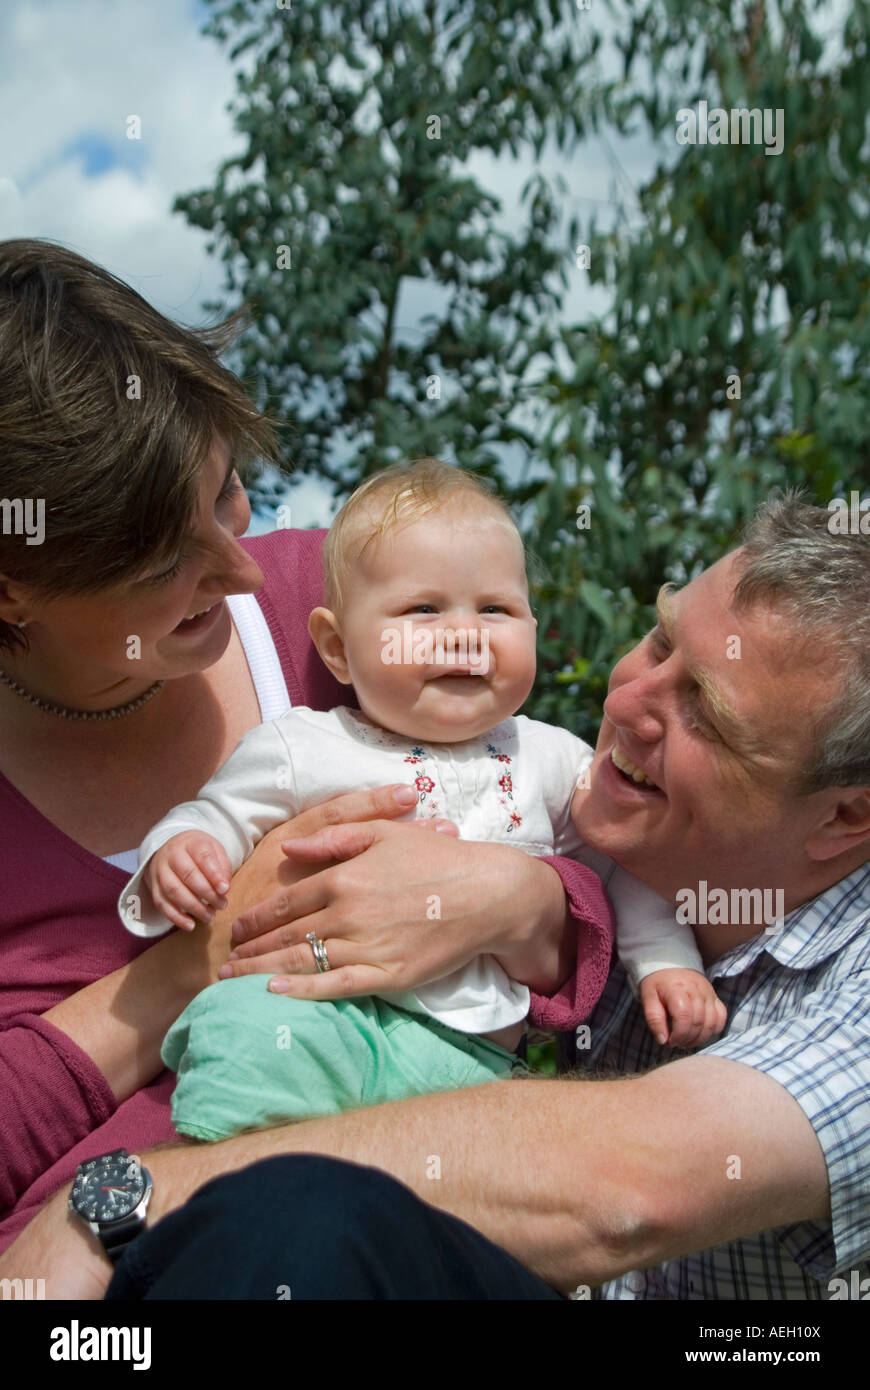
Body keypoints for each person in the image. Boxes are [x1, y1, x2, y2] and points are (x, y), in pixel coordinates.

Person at [0, 240, 615, 1276]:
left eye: (228, 493)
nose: (240, 565)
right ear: (13, 590)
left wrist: (517, 903)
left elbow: (552, 822)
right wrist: (193, 965)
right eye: (166, 558)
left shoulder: (339, 609)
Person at [120, 458, 722, 1143]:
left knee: (501, 1160)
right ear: (339, 649)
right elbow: (216, 815)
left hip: (466, 1054)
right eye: (423, 610)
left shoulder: (550, 758)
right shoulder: (300, 745)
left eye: (495, 609)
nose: (465, 634)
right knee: (243, 1033)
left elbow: (625, 870)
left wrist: (667, 962)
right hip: (310, 1014)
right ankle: (219, 1190)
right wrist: (183, 850)